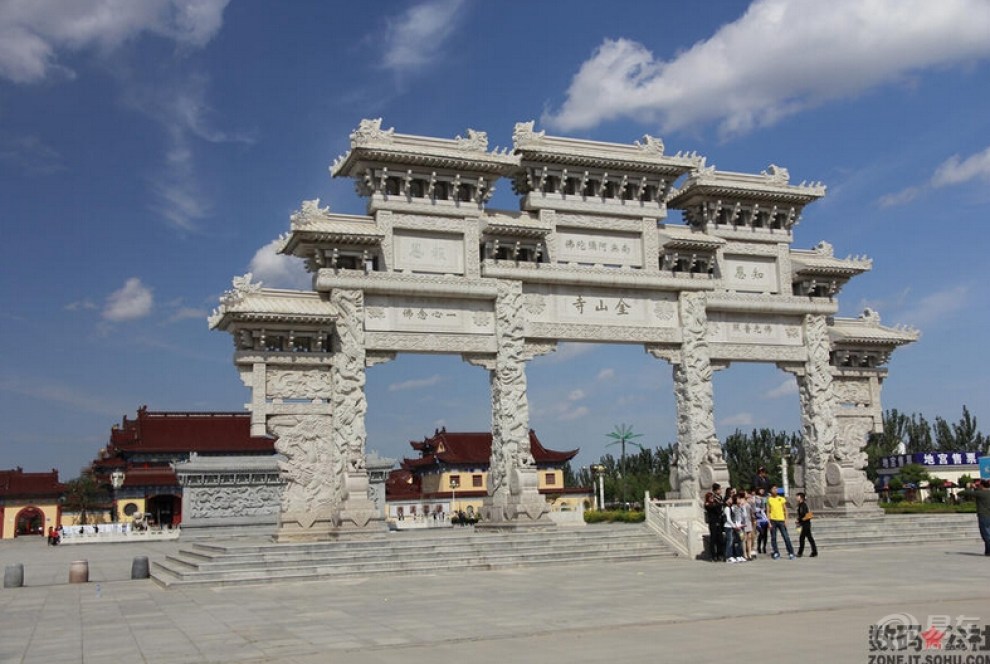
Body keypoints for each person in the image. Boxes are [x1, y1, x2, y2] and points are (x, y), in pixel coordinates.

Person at [960, 479, 990, 556]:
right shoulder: (982, 492)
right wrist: (976, 488)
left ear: (982, 485)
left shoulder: (979, 493)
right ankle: (988, 551)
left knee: (986, 534)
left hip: (984, 515)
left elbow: (962, 493)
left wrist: (968, 487)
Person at [767, 485, 795, 560]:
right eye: (773, 489)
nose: (775, 490)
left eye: (776, 489)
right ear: (770, 490)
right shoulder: (769, 499)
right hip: (773, 520)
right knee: (773, 538)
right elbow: (768, 511)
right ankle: (776, 553)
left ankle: (791, 553)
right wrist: (769, 522)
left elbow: (785, 510)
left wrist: (786, 520)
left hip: (781, 520)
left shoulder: (781, 499)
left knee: (786, 537)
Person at [704, 486, 725, 562]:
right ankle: (713, 555)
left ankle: (720, 554)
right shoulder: (708, 504)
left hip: (718, 522)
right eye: (711, 497)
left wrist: (718, 502)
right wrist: (718, 503)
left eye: (712, 497)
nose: (712, 498)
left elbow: (719, 510)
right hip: (712, 523)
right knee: (713, 539)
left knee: (720, 539)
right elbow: (713, 508)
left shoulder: (715, 503)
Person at [795, 492, 817, 557]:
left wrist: (799, 520)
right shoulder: (800, 505)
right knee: (809, 538)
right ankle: (814, 552)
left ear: (801, 497)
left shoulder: (803, 505)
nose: (796, 497)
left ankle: (800, 553)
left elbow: (809, 515)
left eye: (797, 496)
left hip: (806, 524)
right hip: (804, 524)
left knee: (802, 538)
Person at [753, 487, 769, 556]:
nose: (762, 491)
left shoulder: (764, 498)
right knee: (761, 533)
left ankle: (764, 547)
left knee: (765, 534)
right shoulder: (754, 498)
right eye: (761, 490)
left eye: (763, 490)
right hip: (758, 517)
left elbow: (766, 507)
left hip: (764, 517)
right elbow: (753, 507)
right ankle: (759, 546)